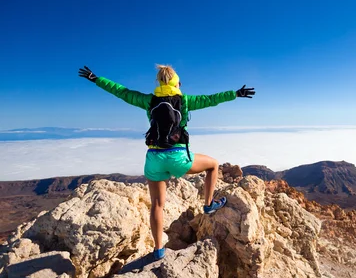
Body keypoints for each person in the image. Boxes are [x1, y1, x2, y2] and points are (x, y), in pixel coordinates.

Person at [78, 64, 255, 260]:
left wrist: (96, 79)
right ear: (177, 82)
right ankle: (208, 204)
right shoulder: (185, 100)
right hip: (177, 157)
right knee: (213, 164)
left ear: (159, 82)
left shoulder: (149, 101)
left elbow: (121, 91)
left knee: (157, 205)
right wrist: (235, 93)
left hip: (153, 159)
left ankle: (158, 249)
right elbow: (211, 99)